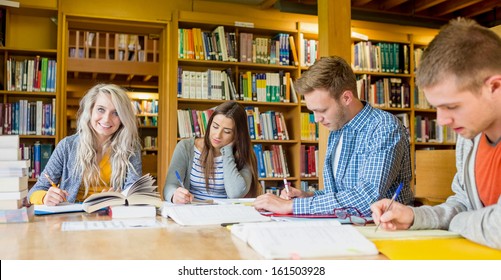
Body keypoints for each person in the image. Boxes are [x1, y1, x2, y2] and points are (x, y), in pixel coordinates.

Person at [371, 18, 501, 249]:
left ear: (495, 87)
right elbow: (463, 203)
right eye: (437, 108)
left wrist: (457, 221)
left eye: (452, 107)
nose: (441, 121)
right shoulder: (469, 137)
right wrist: (414, 216)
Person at [254, 56, 413, 216]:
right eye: (312, 111)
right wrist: (308, 196)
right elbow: (339, 194)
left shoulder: (383, 127)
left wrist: (292, 207)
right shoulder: (337, 128)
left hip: (381, 229)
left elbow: (367, 200)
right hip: (346, 227)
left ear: (346, 98)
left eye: (322, 110)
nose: (316, 119)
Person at [28, 84, 142, 205]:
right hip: (71, 216)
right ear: (90, 110)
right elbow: (34, 191)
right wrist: (45, 197)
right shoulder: (67, 146)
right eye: (101, 109)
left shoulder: (131, 148)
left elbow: (134, 193)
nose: (107, 119)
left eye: (116, 113)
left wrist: (121, 199)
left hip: (109, 215)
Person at [164, 101, 259, 203]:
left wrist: (227, 151)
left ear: (237, 135)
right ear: (209, 124)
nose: (217, 135)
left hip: (225, 216)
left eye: (227, 131)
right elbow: (170, 185)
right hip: (192, 212)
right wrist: (175, 195)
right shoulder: (186, 147)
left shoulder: (244, 155)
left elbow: (235, 193)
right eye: (215, 126)